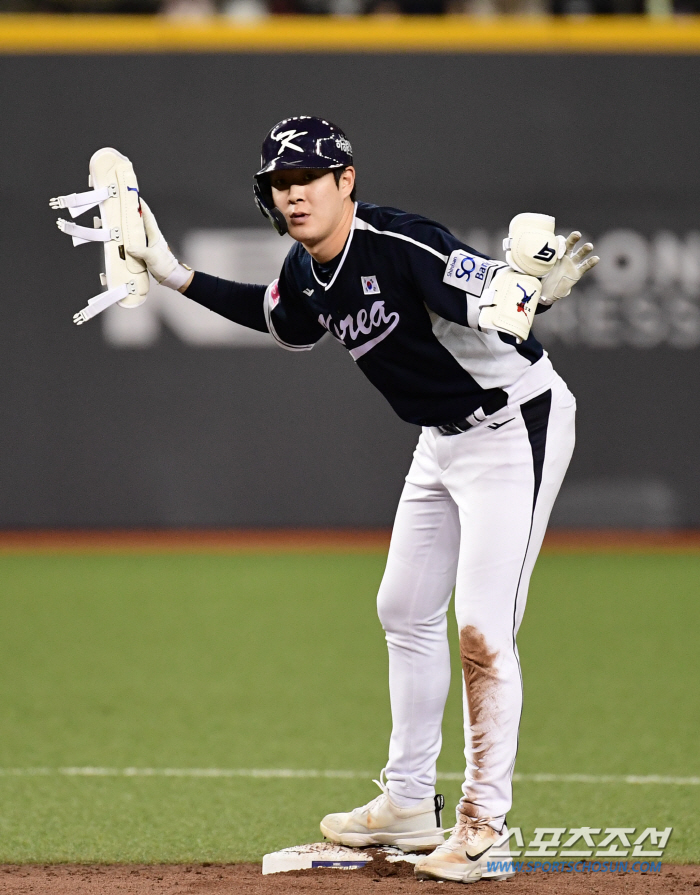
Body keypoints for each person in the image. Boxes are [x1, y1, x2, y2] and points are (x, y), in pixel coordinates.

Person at [129, 116, 598, 884]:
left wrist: (525, 293)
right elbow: (277, 319)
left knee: (482, 628)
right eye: (280, 185)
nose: (293, 195)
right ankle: (410, 801)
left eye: (307, 179)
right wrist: (176, 274)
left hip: (514, 424)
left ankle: (484, 824)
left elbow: (494, 298)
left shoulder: (400, 241)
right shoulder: (308, 268)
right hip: (439, 440)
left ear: (346, 181)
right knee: (403, 608)